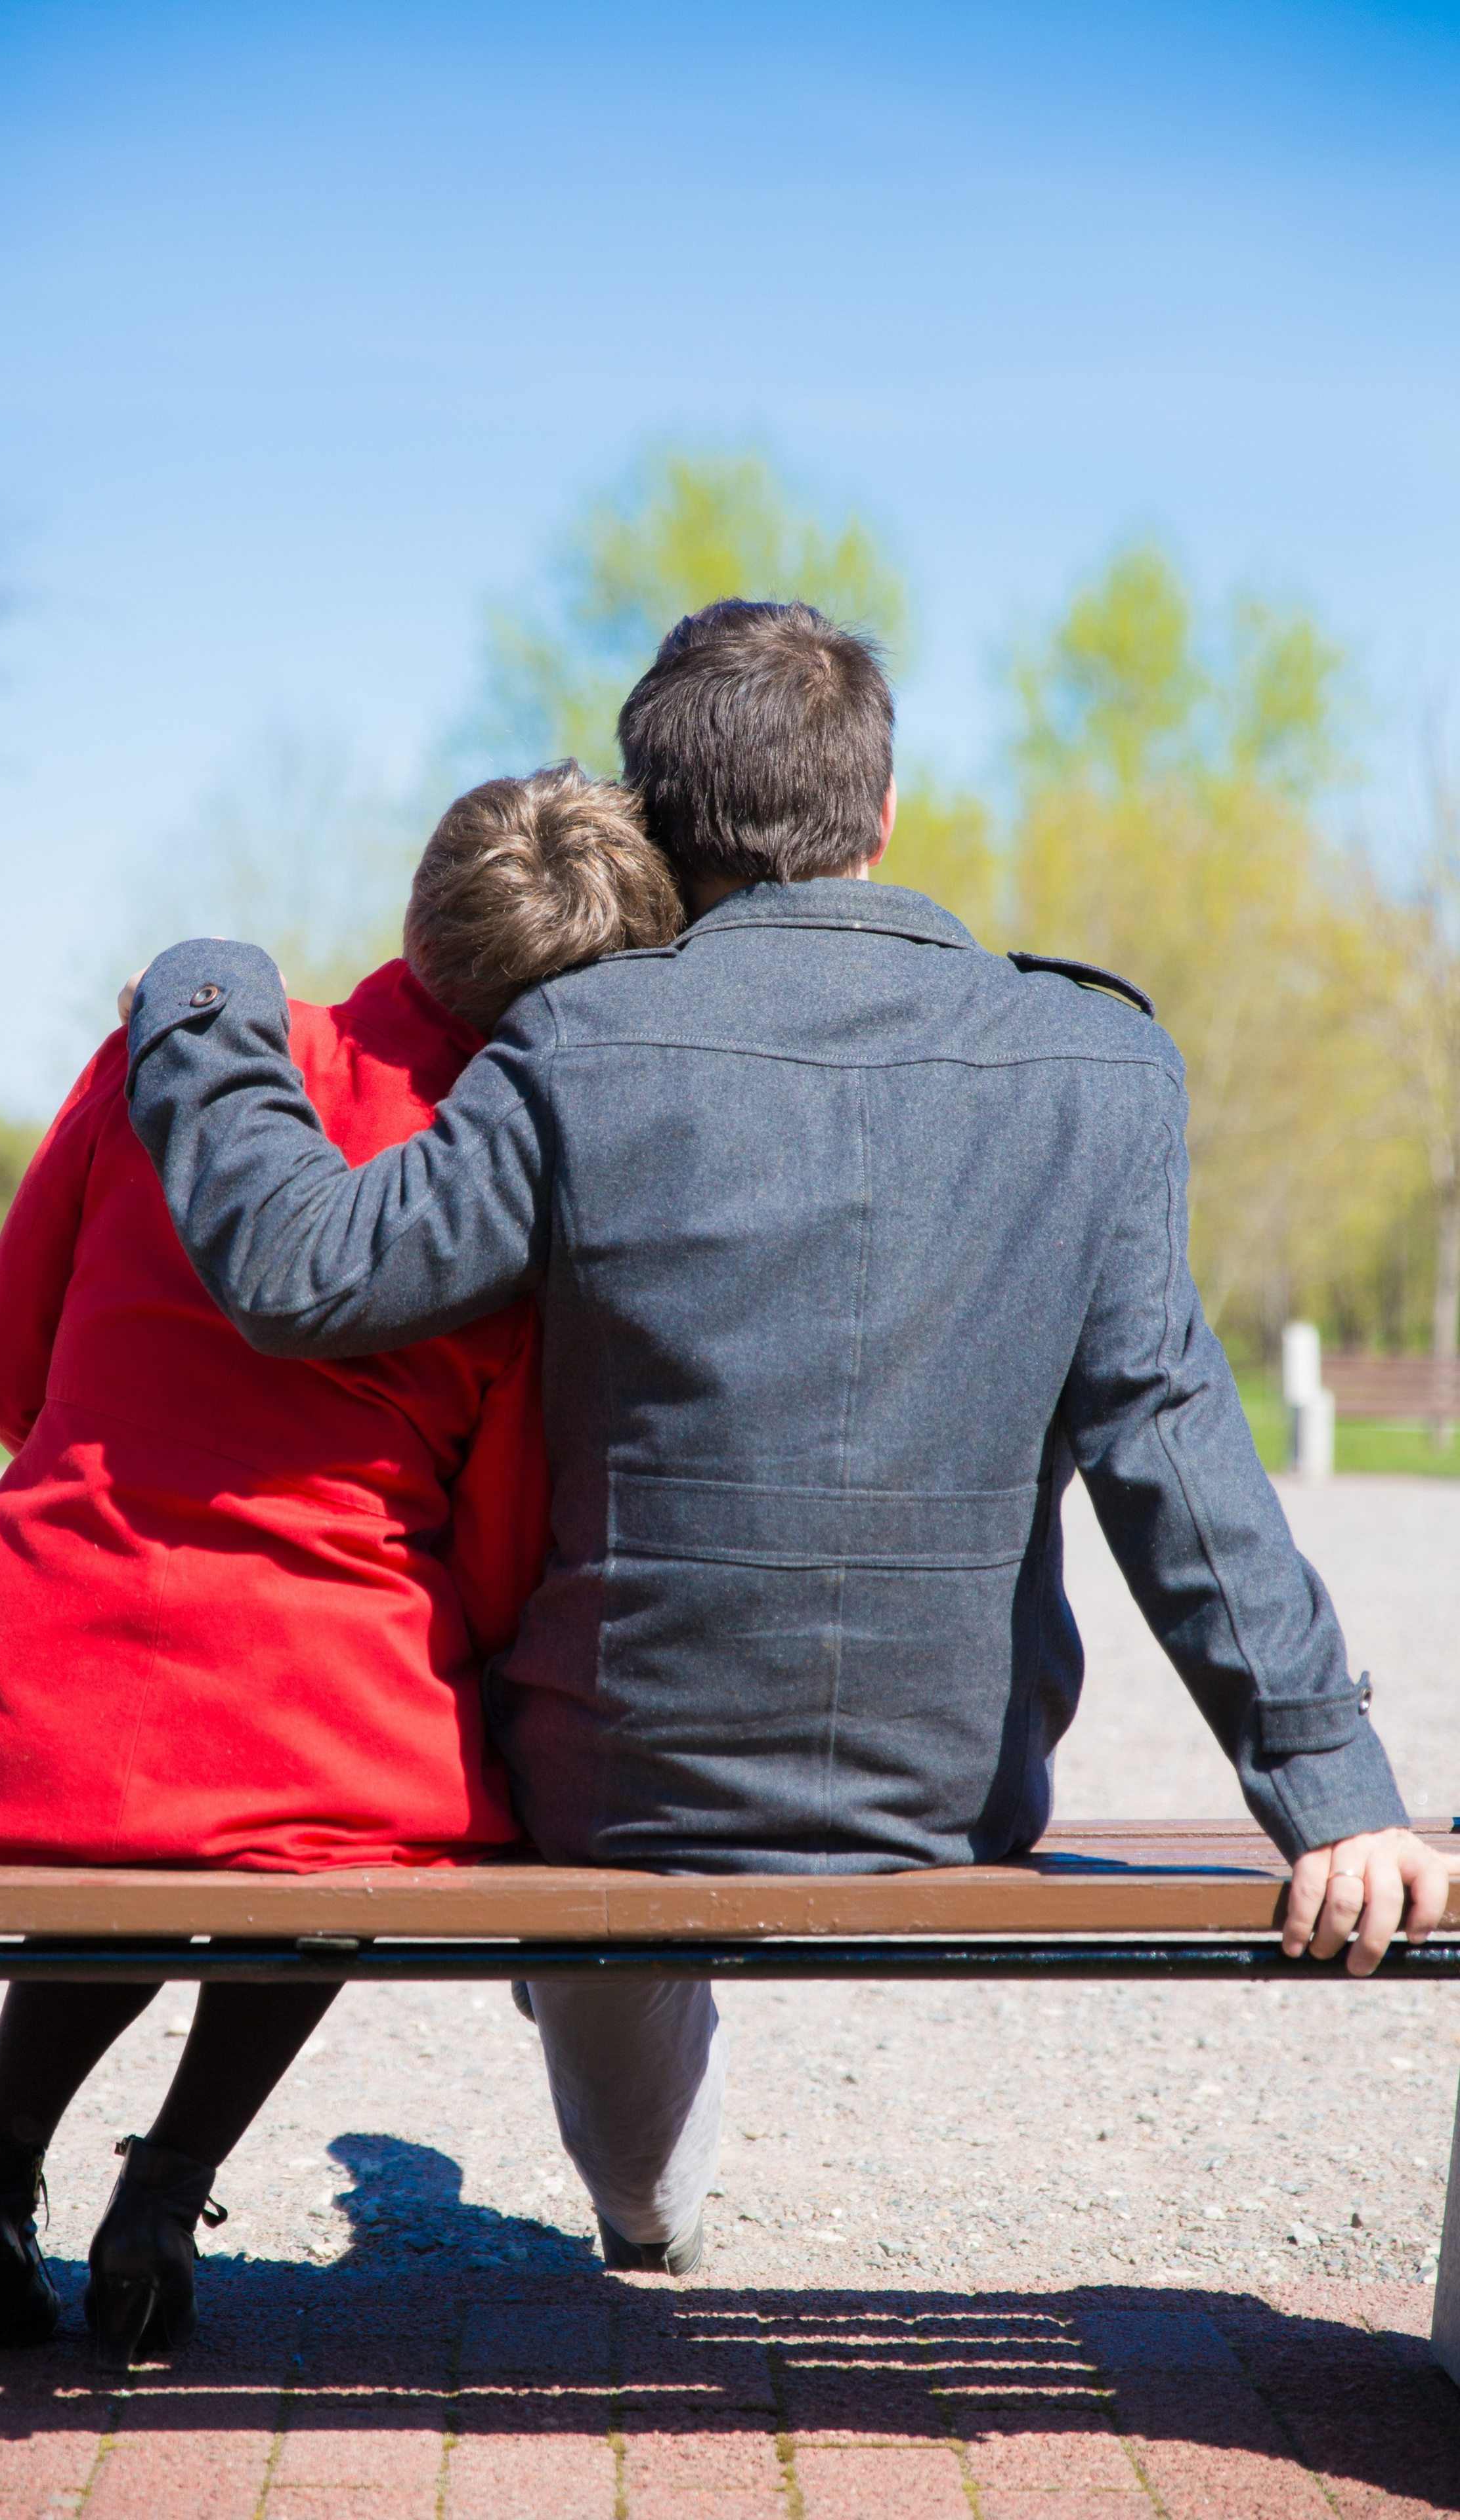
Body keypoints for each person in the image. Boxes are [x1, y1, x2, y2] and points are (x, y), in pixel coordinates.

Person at [122, 600, 1449, 2279]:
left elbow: (306, 1271)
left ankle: (644, 2207)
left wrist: (202, 1003)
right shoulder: (1097, 1065)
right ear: (881, 813)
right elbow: (1169, 1443)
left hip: (612, 1791)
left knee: (570, 1813)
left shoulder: (572, 1049)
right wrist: (1330, 1789)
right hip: (954, 1794)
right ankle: (646, 2191)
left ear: (657, 827)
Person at [0, 761, 683, 2370]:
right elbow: (496, 1554)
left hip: (29, 1680)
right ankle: (162, 2198)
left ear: (426, 910)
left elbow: (8, 1370)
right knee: (328, 1810)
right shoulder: (520, 1182)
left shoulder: (200, 1061)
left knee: (155, 1782)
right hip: (325, 1720)